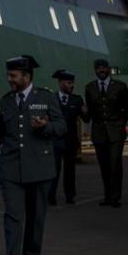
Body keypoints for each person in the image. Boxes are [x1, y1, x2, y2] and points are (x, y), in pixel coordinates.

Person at [0, 55, 63, 255]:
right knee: (13, 215)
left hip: (39, 166)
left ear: (27, 76)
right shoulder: (5, 101)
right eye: (9, 75)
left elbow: (62, 126)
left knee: (36, 217)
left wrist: (45, 127)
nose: (9, 79)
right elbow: (1, 131)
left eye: (13, 76)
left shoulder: (45, 97)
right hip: (11, 167)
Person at [84, 58, 128, 207]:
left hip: (116, 132)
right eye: (98, 68)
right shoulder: (90, 88)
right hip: (99, 132)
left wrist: (120, 123)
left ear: (109, 69)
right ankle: (107, 196)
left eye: (104, 68)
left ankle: (115, 197)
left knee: (115, 164)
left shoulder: (120, 87)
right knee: (104, 165)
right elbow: (90, 111)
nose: (101, 71)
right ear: (95, 70)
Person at [50, 70, 85, 205]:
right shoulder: (51, 99)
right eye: (69, 83)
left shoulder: (77, 99)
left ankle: (70, 195)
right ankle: (51, 195)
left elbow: (86, 119)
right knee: (54, 170)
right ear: (61, 83)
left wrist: (86, 112)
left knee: (70, 171)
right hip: (55, 141)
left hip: (70, 141)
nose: (72, 86)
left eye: (72, 83)